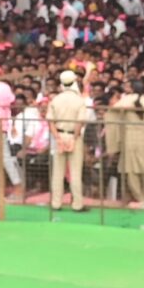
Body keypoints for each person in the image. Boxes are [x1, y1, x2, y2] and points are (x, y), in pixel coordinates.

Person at [46, 69, 92, 212]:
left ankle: (56, 203)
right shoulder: (79, 100)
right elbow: (80, 122)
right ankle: (77, 204)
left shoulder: (55, 99)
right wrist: (75, 137)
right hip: (74, 136)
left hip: (59, 135)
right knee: (75, 172)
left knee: (57, 172)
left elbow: (50, 121)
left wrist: (57, 137)